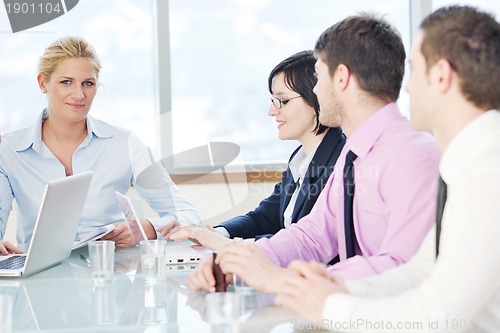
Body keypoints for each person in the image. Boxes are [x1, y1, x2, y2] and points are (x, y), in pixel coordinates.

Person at [275, 6, 500, 332]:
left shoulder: (487, 171)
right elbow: (419, 271)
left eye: (414, 71)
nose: (406, 89)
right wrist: (329, 288)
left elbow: (436, 314)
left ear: (441, 76)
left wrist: (329, 305)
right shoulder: (469, 161)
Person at [187, 13, 441, 293]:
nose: (315, 91)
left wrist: (290, 279)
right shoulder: (354, 155)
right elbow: (312, 236)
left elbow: (402, 267)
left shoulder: (413, 157)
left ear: (341, 77)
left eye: (318, 77)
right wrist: (237, 262)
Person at [0, 36, 200, 248]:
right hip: (37, 277)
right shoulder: (9, 150)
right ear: (43, 83)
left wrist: (143, 230)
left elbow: (187, 215)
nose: (79, 94)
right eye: (66, 82)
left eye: (88, 83)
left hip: (109, 272)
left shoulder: (126, 144)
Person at [162, 50, 345, 250]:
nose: (272, 111)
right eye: (273, 100)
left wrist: (229, 245)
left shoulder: (340, 163)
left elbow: (306, 241)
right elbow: (264, 217)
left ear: (316, 98)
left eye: (282, 101)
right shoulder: (300, 159)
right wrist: (214, 233)